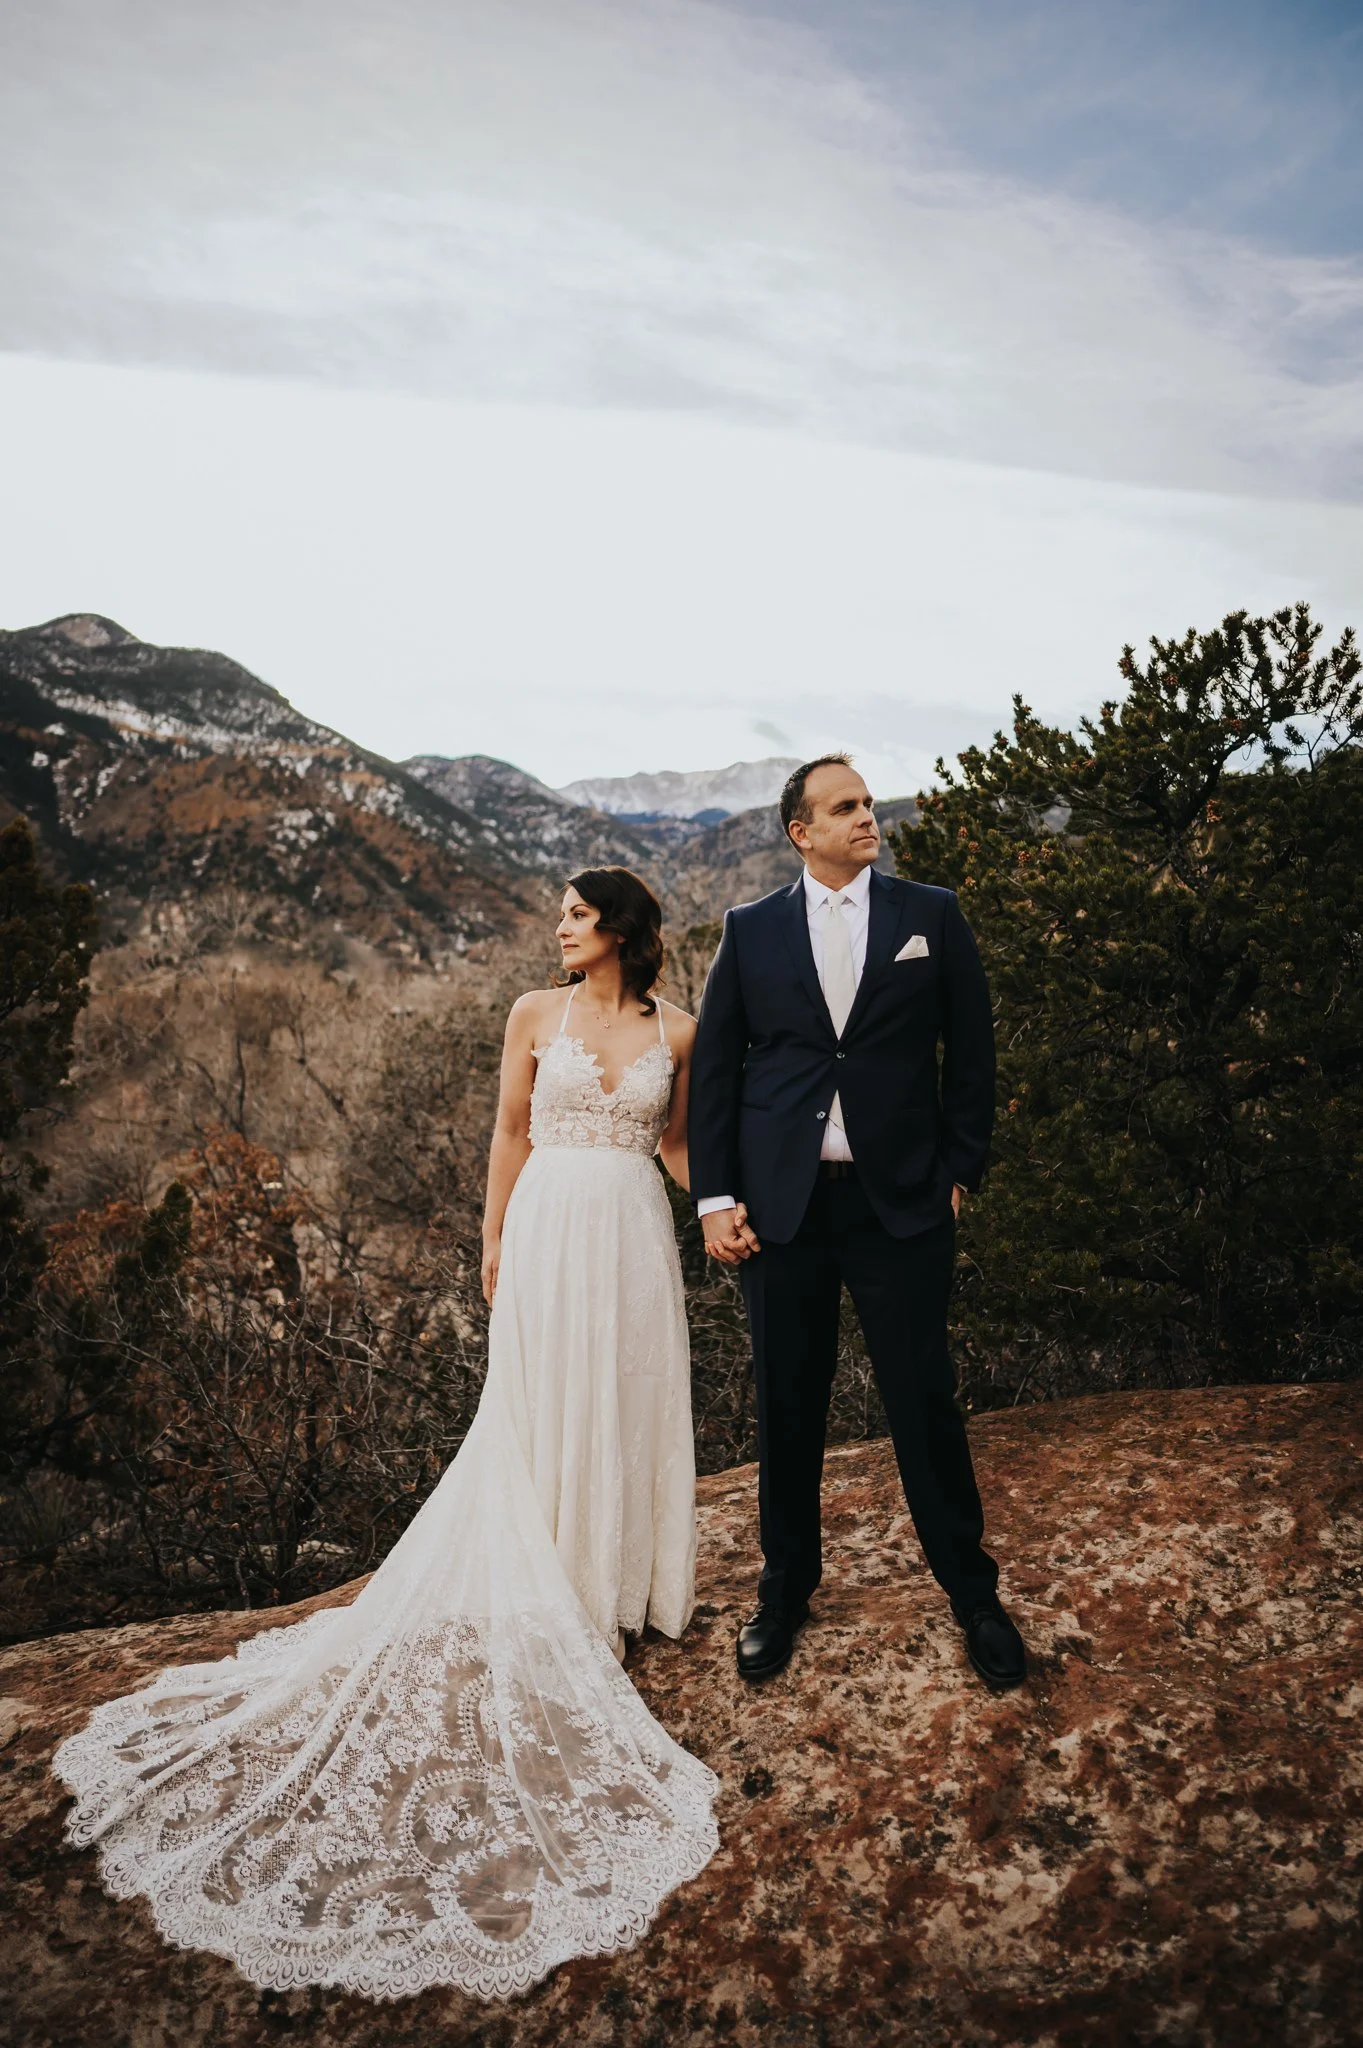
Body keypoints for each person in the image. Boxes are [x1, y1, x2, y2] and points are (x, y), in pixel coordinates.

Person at [54, 867, 718, 2003]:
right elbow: (508, 1133)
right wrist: (492, 1240)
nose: (557, 928)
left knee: (626, 1396)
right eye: (558, 915)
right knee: (534, 1403)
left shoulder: (681, 1028)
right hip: (552, 1222)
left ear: (617, 930)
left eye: (571, 913)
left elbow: (674, 1148)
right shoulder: (531, 1013)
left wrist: (724, 1207)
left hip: (631, 1236)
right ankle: (550, 1584)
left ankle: (614, 1581)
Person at [687, 754, 1026, 1691]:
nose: (866, 817)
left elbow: (973, 1050)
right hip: (784, 1210)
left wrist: (957, 1166)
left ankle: (972, 1594)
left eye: (868, 802)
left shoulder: (932, 915)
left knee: (922, 1399)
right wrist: (716, 1199)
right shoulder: (748, 930)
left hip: (900, 1204)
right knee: (788, 1405)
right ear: (801, 831)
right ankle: (785, 1591)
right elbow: (715, 1073)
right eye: (845, 807)